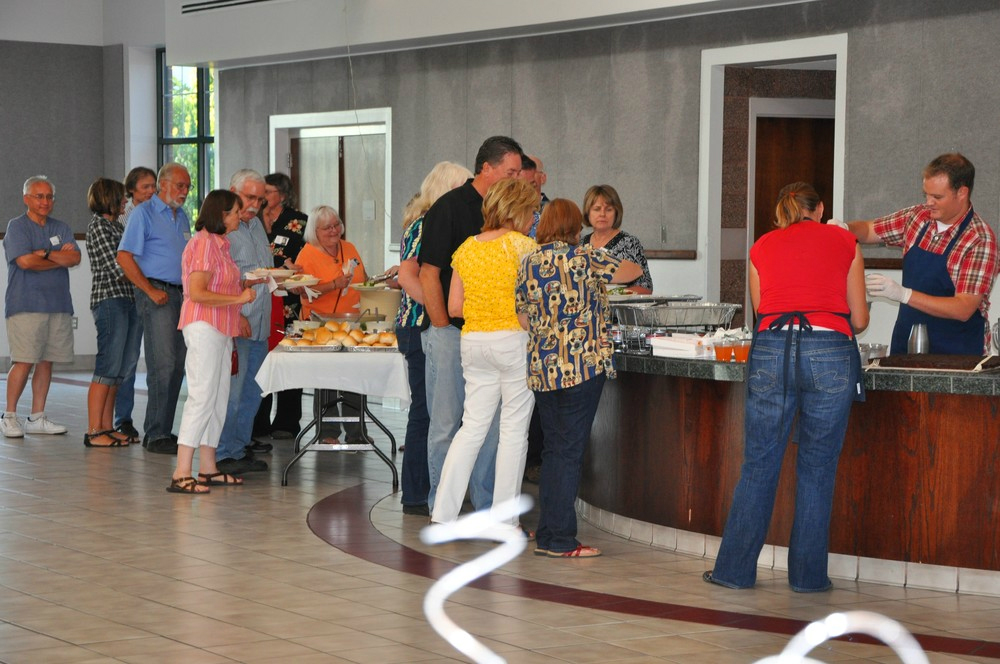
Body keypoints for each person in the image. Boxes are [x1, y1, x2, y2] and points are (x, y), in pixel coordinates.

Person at [705, 182, 869, 591]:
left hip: (771, 349)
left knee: (759, 463)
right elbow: (860, 320)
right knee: (817, 467)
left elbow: (763, 310)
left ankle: (733, 572)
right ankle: (808, 578)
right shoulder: (845, 242)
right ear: (821, 209)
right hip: (829, 351)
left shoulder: (761, 246)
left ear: (782, 211)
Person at [515, 198, 642, 558]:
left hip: (543, 369)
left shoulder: (528, 262)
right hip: (581, 367)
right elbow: (632, 271)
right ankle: (558, 539)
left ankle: (549, 534)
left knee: (554, 451)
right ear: (574, 226)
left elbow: (523, 319)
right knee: (568, 453)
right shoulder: (585, 257)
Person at [418, 135, 523, 512]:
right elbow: (428, 273)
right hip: (451, 330)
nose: (517, 179)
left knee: (489, 428)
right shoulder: (448, 207)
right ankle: (441, 505)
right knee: (447, 425)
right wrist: (442, 326)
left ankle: (484, 505)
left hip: (488, 333)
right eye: (511, 172)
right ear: (486, 169)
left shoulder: (505, 212)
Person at [431, 178, 539, 527]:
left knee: (471, 428)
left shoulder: (466, 248)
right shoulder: (524, 247)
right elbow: (533, 306)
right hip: (513, 342)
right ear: (517, 211)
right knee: (513, 432)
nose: (533, 219)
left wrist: (486, 307)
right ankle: (506, 522)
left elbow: (454, 307)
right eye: (532, 212)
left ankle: (442, 514)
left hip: (473, 342)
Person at [838, 153, 999, 355]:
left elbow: (963, 308)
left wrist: (904, 294)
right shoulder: (917, 217)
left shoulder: (979, 240)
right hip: (907, 347)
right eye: (926, 195)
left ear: (962, 193)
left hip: (958, 356)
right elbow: (870, 230)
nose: (928, 202)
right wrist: (844, 229)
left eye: (937, 197)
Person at [396, 161, 472, 517]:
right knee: (426, 412)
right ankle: (416, 492)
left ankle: (436, 488)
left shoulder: (440, 221)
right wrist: (437, 306)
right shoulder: (426, 223)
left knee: (435, 412)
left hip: (430, 323)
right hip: (419, 325)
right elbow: (407, 275)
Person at [169, 190, 256, 494]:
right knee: (202, 395)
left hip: (221, 326)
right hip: (204, 325)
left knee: (219, 397)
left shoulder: (222, 244)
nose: (240, 217)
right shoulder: (204, 243)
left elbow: (221, 285)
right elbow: (197, 292)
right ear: (221, 214)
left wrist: (243, 288)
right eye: (235, 212)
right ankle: (181, 471)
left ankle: (208, 468)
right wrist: (238, 298)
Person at [117, 162, 192, 454]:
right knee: (163, 364)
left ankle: (164, 429)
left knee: (177, 366)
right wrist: (149, 290)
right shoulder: (143, 214)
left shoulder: (182, 215)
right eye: (180, 186)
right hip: (157, 293)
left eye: (188, 187)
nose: (185, 192)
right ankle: (155, 433)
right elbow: (124, 257)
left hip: (181, 295)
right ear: (163, 184)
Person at [1, 176, 81, 438]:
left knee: (47, 361)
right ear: (26, 198)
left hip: (58, 304)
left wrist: (44, 254)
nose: (45, 201)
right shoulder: (17, 226)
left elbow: (74, 257)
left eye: (49, 197)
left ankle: (36, 417)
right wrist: (58, 259)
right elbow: (25, 262)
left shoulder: (61, 227)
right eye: (39, 196)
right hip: (26, 304)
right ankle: (9, 416)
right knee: (24, 360)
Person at [215, 170, 274, 476]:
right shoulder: (223, 228)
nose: (255, 204)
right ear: (232, 191)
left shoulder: (257, 226)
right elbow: (217, 279)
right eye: (250, 197)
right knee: (232, 394)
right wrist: (236, 314)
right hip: (237, 322)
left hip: (261, 323)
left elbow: (263, 270)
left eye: (260, 199)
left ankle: (238, 449)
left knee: (252, 394)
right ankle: (222, 453)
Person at [294, 205, 369, 444]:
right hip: (320, 324)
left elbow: (364, 279)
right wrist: (333, 285)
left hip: (352, 323)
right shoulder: (307, 254)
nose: (334, 230)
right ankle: (327, 432)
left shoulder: (350, 247)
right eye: (327, 227)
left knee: (355, 378)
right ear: (315, 231)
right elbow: (302, 291)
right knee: (325, 379)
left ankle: (357, 432)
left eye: (337, 225)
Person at [84, 177, 140, 447]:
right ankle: (94, 431)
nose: (126, 201)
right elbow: (118, 267)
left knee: (119, 369)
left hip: (128, 299)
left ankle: (107, 428)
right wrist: (147, 280)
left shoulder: (117, 226)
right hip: (109, 300)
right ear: (109, 198)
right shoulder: (98, 226)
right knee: (107, 366)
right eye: (122, 197)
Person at [253, 172, 308, 440]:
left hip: (289, 301)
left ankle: (287, 421)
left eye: (268, 192)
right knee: (261, 358)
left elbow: (303, 257)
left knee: (289, 357)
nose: (262, 197)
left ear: (283, 195)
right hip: (261, 298)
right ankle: (258, 421)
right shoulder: (252, 220)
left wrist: (291, 268)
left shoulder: (298, 221)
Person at [113, 166, 157, 441]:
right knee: (128, 360)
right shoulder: (125, 217)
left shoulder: (159, 213)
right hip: (130, 294)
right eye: (145, 187)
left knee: (157, 360)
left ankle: (157, 422)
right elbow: (125, 258)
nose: (151, 191)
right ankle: (123, 418)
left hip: (154, 293)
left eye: (154, 186)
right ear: (131, 190)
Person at [581, 184, 653, 294]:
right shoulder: (579, 244)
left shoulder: (630, 243)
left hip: (618, 305)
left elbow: (646, 288)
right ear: (588, 213)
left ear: (616, 213)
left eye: (608, 210)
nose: (602, 214)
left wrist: (613, 294)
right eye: (597, 209)